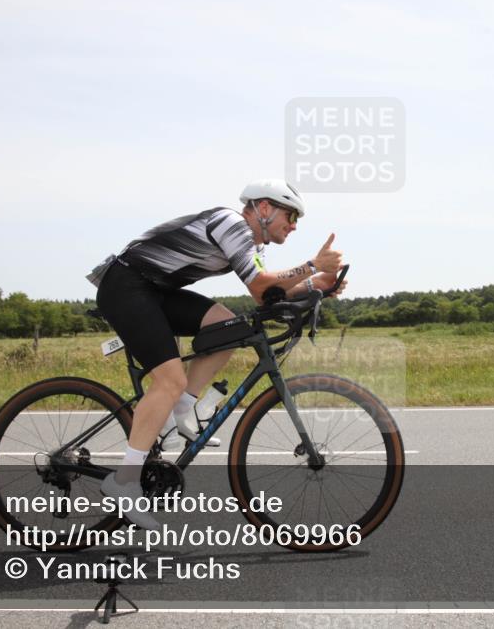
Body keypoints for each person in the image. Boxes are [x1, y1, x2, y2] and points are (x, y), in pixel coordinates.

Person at [86, 179, 346, 528]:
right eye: (291, 214)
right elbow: (261, 284)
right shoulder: (230, 222)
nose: (294, 225)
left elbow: (265, 293)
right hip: (127, 286)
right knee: (169, 379)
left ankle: (182, 410)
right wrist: (313, 265)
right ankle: (124, 482)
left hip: (154, 290)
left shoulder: (252, 243)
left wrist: (320, 286)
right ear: (265, 208)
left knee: (225, 323)